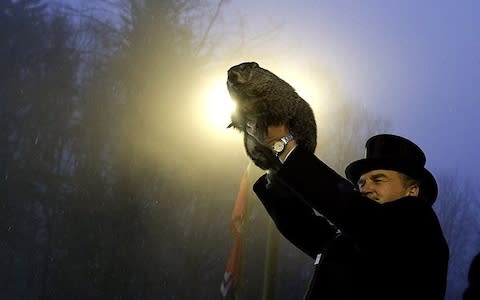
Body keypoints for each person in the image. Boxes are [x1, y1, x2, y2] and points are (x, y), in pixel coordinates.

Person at [247, 124, 449, 299]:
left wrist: (285, 146)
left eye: (378, 180)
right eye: (361, 182)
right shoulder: (357, 235)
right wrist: (272, 163)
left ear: (411, 190)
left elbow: (357, 214)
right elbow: (302, 226)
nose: (365, 188)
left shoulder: (418, 222)